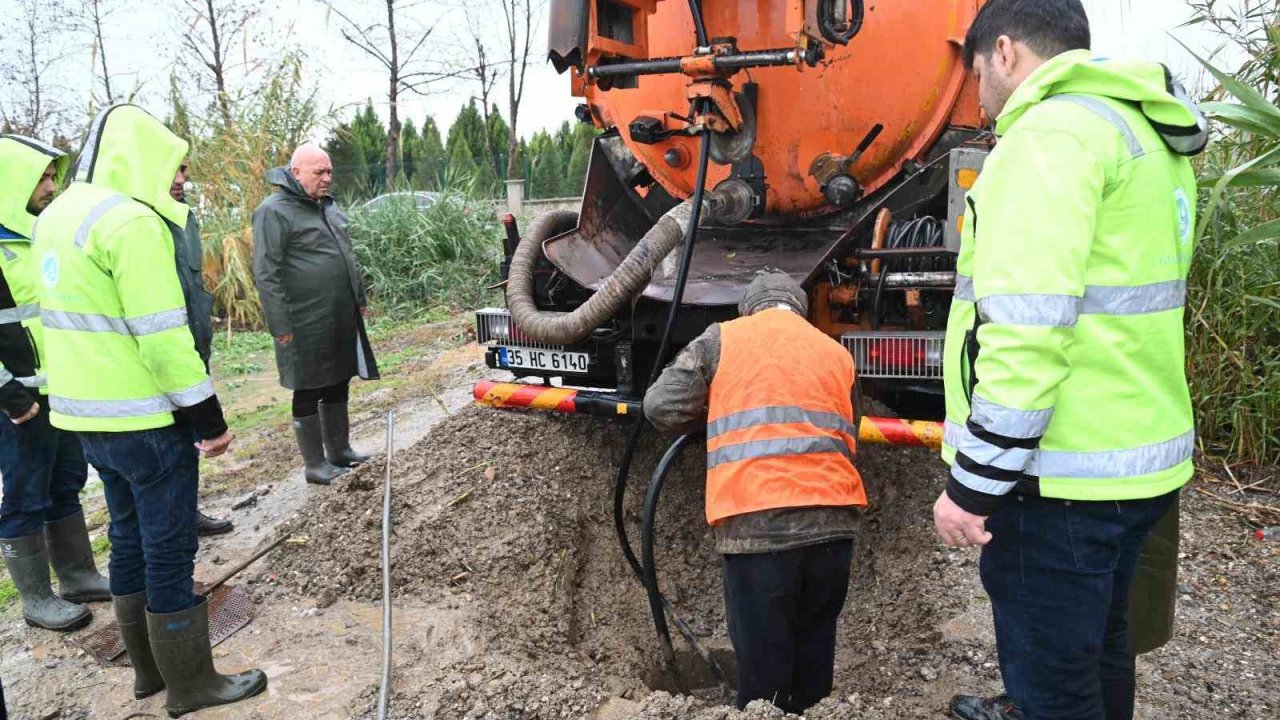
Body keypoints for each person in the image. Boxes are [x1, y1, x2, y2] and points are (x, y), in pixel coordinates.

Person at [931, 2, 1208, 719]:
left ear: (1005, 51)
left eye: (977, 75)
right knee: (1101, 649)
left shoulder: (1048, 137)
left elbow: (1027, 330)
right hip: (1134, 461)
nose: (979, 95)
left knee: (1053, 687)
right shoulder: (1142, 131)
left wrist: (973, 485)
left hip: (1060, 482)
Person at [36, 103, 266, 715]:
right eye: (171, 166)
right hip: (145, 421)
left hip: (88, 420)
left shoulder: (57, 216)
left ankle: (148, 673)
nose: (178, 179)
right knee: (168, 549)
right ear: (137, 157)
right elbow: (163, 336)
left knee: (129, 540)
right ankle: (192, 685)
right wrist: (209, 420)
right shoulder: (130, 223)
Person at [645, 269, 866, 715]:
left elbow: (660, 406)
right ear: (799, 310)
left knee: (763, 680)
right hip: (833, 530)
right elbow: (851, 430)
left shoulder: (722, 339)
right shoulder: (835, 353)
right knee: (814, 657)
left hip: (758, 528)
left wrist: (714, 405)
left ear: (747, 310)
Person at [0, 134, 111, 631]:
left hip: (61, 386)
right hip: (18, 397)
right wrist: (9, 394)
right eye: (41, 178)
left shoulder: (40, 234)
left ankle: (78, 575)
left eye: (51, 177)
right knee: (26, 494)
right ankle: (35, 598)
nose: (50, 187)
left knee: (66, 482)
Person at [252, 143, 379, 485]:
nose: (327, 179)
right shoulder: (274, 211)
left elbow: (346, 255)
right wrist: (278, 322)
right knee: (307, 386)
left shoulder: (327, 207)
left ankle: (340, 451)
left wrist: (359, 297)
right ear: (296, 173)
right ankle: (315, 465)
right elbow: (267, 271)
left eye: (329, 172)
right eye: (319, 172)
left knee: (339, 377)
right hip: (302, 318)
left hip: (339, 313)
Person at [168, 158, 233, 537]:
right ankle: (173, 522)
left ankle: (187, 512)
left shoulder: (184, 218)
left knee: (187, 443)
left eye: (185, 170)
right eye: (173, 170)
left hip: (191, 347)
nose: (182, 179)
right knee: (164, 454)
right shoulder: (139, 224)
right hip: (163, 354)